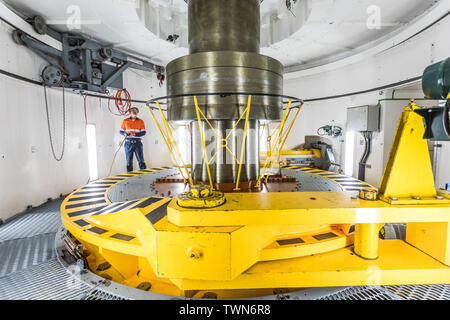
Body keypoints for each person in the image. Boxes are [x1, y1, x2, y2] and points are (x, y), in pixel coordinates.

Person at [120, 107, 147, 172]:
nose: (134, 112)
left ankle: (145, 176)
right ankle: (129, 179)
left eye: (136, 111)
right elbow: (121, 131)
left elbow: (143, 132)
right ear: (130, 112)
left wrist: (134, 134)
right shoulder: (125, 121)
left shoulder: (141, 121)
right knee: (129, 162)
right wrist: (124, 134)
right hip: (128, 143)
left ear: (137, 112)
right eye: (133, 111)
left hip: (138, 143)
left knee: (141, 161)